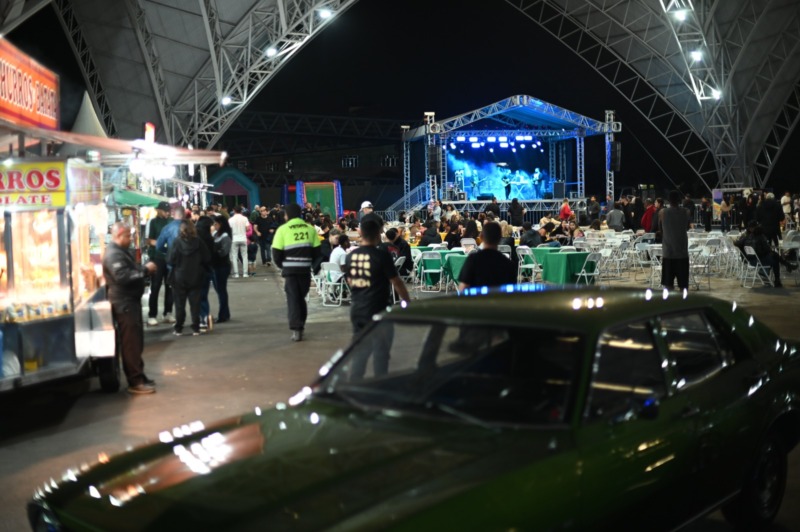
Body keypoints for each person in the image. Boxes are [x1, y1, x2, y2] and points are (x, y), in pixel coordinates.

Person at [345, 217, 410, 377]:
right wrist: (407, 302)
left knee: (360, 352)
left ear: (361, 234)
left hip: (358, 309)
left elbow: (349, 281)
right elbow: (396, 282)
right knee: (381, 353)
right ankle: (379, 384)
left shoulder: (351, 256)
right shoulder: (381, 255)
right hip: (378, 309)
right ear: (377, 234)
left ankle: (355, 385)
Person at [102, 222, 158, 395]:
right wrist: (145, 270)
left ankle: (139, 375)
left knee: (136, 340)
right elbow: (123, 277)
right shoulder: (113, 254)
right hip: (124, 303)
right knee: (130, 343)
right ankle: (135, 381)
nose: (131, 239)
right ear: (119, 235)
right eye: (128, 236)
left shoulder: (120, 252)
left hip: (130, 301)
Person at [272, 203, 321, 341]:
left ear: (287, 215)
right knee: (300, 298)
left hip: (290, 270)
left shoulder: (282, 229)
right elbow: (317, 252)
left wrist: (283, 266)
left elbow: (276, 253)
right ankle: (301, 325)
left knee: (293, 299)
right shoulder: (310, 229)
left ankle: (296, 328)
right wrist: (309, 264)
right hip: (305, 270)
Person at [167, 220, 211, 336]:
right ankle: (196, 327)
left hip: (179, 277)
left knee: (179, 304)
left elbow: (170, 259)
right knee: (195, 304)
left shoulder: (176, 242)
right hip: (196, 276)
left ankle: (179, 328)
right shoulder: (199, 242)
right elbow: (207, 258)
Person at [458, 222, 517, 291]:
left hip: (477, 297)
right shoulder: (509, 264)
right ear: (499, 238)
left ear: (481, 237)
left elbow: (463, 288)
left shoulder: (472, 260)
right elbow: (512, 292)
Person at [735, 221, 796, 288]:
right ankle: (778, 279)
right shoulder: (760, 236)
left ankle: (785, 266)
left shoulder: (746, 237)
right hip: (760, 260)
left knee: (774, 256)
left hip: (750, 261)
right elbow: (767, 249)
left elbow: (737, 243)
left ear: (749, 228)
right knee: (775, 259)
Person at [146, 201, 175, 326]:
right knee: (155, 286)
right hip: (157, 258)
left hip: (170, 258)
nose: (167, 213)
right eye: (165, 210)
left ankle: (168, 313)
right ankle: (152, 315)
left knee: (170, 286)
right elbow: (149, 240)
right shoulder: (153, 222)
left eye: (168, 210)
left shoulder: (172, 221)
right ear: (158, 210)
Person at [659, 190, 692, 291]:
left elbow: (661, 230)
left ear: (668, 200)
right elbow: (687, 227)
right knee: (683, 286)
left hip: (668, 252)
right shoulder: (686, 212)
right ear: (679, 200)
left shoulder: (662, 212)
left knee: (668, 285)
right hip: (682, 252)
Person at [194, 214, 215, 331]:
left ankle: (199, 318)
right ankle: (204, 317)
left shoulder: (193, 238)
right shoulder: (209, 238)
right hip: (206, 270)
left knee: (195, 296)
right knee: (203, 295)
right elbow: (210, 256)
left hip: (193, 271)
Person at [211, 216, 232, 323]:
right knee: (220, 290)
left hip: (222, 266)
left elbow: (224, 252)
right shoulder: (216, 234)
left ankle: (223, 315)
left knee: (221, 290)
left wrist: (214, 252)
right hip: (216, 266)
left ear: (221, 224)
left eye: (216, 224)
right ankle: (225, 313)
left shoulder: (225, 236)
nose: (214, 226)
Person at [228, 205, 250, 278]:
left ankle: (236, 273)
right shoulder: (245, 218)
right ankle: (245, 273)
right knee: (245, 256)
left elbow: (229, 229)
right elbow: (248, 229)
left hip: (234, 239)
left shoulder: (230, 219)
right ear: (241, 210)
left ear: (234, 210)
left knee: (234, 256)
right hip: (243, 238)